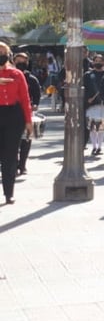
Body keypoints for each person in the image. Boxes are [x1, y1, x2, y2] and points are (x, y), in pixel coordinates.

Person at [0, 41, 33, 204]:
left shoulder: (16, 74)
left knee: (10, 156)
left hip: (13, 115)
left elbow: (25, 98)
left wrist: (28, 120)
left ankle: (9, 192)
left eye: (3, 52)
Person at [13, 53, 41, 176]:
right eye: (18, 61)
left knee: (26, 140)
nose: (21, 63)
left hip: (26, 112)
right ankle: (13, 163)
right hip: (11, 112)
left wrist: (35, 104)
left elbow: (37, 93)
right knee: (11, 141)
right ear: (13, 61)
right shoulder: (9, 76)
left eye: (23, 61)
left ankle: (22, 165)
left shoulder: (32, 79)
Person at [84, 54, 104, 157]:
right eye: (96, 60)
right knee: (92, 127)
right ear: (93, 62)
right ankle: (94, 146)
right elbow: (84, 88)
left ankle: (100, 146)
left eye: (100, 61)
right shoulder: (88, 75)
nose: (98, 62)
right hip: (91, 104)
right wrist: (87, 98)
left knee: (102, 127)